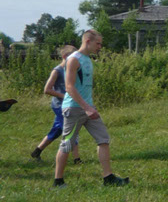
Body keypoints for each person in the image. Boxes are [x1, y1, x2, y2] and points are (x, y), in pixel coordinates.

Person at [53, 30, 129, 187]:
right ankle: (58, 181)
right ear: (88, 41)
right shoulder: (74, 60)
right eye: (98, 43)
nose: (100, 47)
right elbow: (69, 87)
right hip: (74, 109)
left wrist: (90, 107)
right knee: (67, 144)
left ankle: (108, 178)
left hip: (89, 108)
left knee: (103, 139)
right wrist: (86, 107)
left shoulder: (88, 60)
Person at [31, 45, 82, 164]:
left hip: (70, 105)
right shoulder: (57, 71)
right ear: (64, 56)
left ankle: (37, 151)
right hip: (60, 106)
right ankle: (77, 159)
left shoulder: (72, 70)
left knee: (57, 130)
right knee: (72, 130)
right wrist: (65, 96)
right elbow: (47, 90)